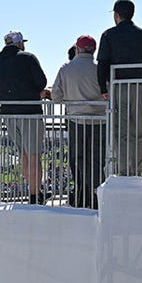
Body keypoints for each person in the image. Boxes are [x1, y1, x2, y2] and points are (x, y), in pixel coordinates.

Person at [97, 0, 142, 177]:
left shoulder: (108, 35)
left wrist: (103, 89)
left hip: (119, 88)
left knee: (121, 133)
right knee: (138, 132)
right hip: (140, 88)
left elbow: (103, 63)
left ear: (116, 15)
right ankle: (136, 171)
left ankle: (123, 173)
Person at [0, 30, 50, 203]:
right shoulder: (28, 58)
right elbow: (41, 82)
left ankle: (32, 192)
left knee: (24, 155)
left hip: (9, 114)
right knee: (34, 155)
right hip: (29, 112)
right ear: (19, 43)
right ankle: (35, 195)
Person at [49, 35, 105, 208]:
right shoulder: (100, 69)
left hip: (76, 121)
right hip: (100, 122)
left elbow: (56, 97)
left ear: (78, 49)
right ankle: (97, 196)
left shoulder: (66, 69)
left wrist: (70, 100)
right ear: (94, 50)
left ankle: (81, 195)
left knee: (77, 159)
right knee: (97, 160)